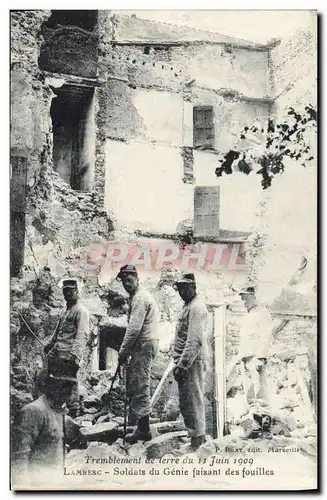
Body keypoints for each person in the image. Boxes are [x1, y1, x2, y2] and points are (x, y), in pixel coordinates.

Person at [12, 371, 85, 485]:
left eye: (70, 386)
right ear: (51, 386)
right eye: (63, 385)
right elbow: (19, 461)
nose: (68, 391)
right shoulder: (33, 411)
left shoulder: (60, 413)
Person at [117, 265, 159, 443]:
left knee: (141, 384)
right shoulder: (137, 297)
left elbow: (134, 329)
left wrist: (122, 352)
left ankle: (144, 430)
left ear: (137, 278)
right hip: (144, 344)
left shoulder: (140, 298)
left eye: (129, 280)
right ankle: (141, 426)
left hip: (144, 343)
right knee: (137, 383)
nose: (127, 284)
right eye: (124, 281)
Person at [172, 273, 209, 451]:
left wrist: (183, 364)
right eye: (178, 288)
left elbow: (194, 340)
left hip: (191, 361)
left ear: (193, 287)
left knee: (193, 400)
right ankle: (194, 437)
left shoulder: (197, 307)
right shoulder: (188, 306)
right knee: (187, 401)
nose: (181, 291)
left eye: (184, 287)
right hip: (184, 361)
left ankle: (198, 441)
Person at [44, 278, 90, 418]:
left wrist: (75, 355)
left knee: (70, 381)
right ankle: (58, 411)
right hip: (59, 352)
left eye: (71, 291)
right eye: (65, 292)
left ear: (77, 292)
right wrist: (50, 344)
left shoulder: (81, 311)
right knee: (57, 380)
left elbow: (82, 334)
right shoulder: (65, 310)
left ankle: (74, 411)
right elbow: (58, 331)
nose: (68, 294)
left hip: (69, 353)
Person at [237, 286, 273, 439]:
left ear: (253, 295)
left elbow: (266, 336)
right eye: (242, 297)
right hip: (246, 358)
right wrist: (240, 360)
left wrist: (261, 356)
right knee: (250, 394)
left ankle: (266, 430)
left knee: (261, 393)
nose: (243, 300)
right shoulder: (248, 315)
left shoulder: (262, 313)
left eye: (245, 297)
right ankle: (257, 428)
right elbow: (244, 340)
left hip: (255, 358)